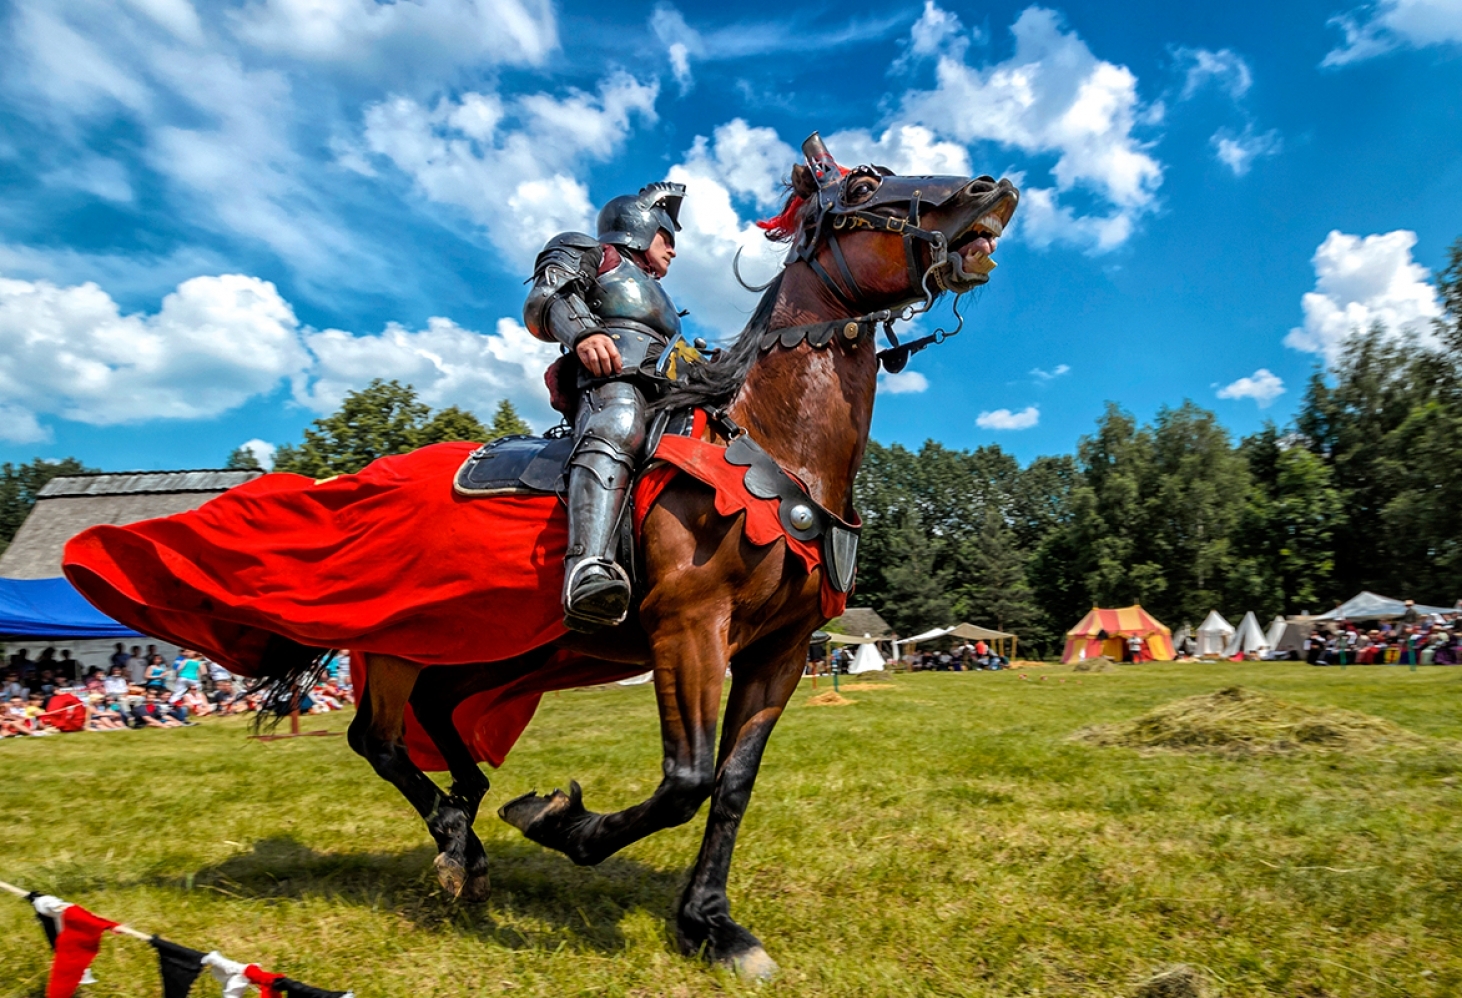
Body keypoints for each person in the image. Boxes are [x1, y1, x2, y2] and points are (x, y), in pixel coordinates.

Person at [522, 182, 688, 631]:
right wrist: (583, 333)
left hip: (668, 396)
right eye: (666, 237)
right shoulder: (592, 253)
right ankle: (588, 569)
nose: (673, 250)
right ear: (639, 226)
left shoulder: (666, 300)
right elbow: (545, 299)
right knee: (619, 421)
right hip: (611, 385)